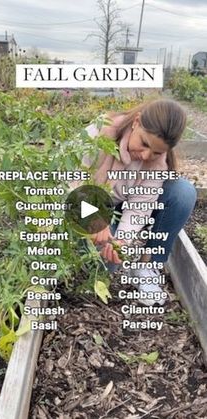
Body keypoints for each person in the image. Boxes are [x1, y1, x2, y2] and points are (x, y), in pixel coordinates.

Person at [81, 98, 197, 306]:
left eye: (157, 152)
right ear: (136, 122)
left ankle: (146, 267)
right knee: (105, 265)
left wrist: (122, 241)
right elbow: (70, 182)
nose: (146, 155)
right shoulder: (99, 132)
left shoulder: (156, 165)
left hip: (121, 204)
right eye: (144, 143)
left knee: (183, 192)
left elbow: (139, 207)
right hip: (88, 202)